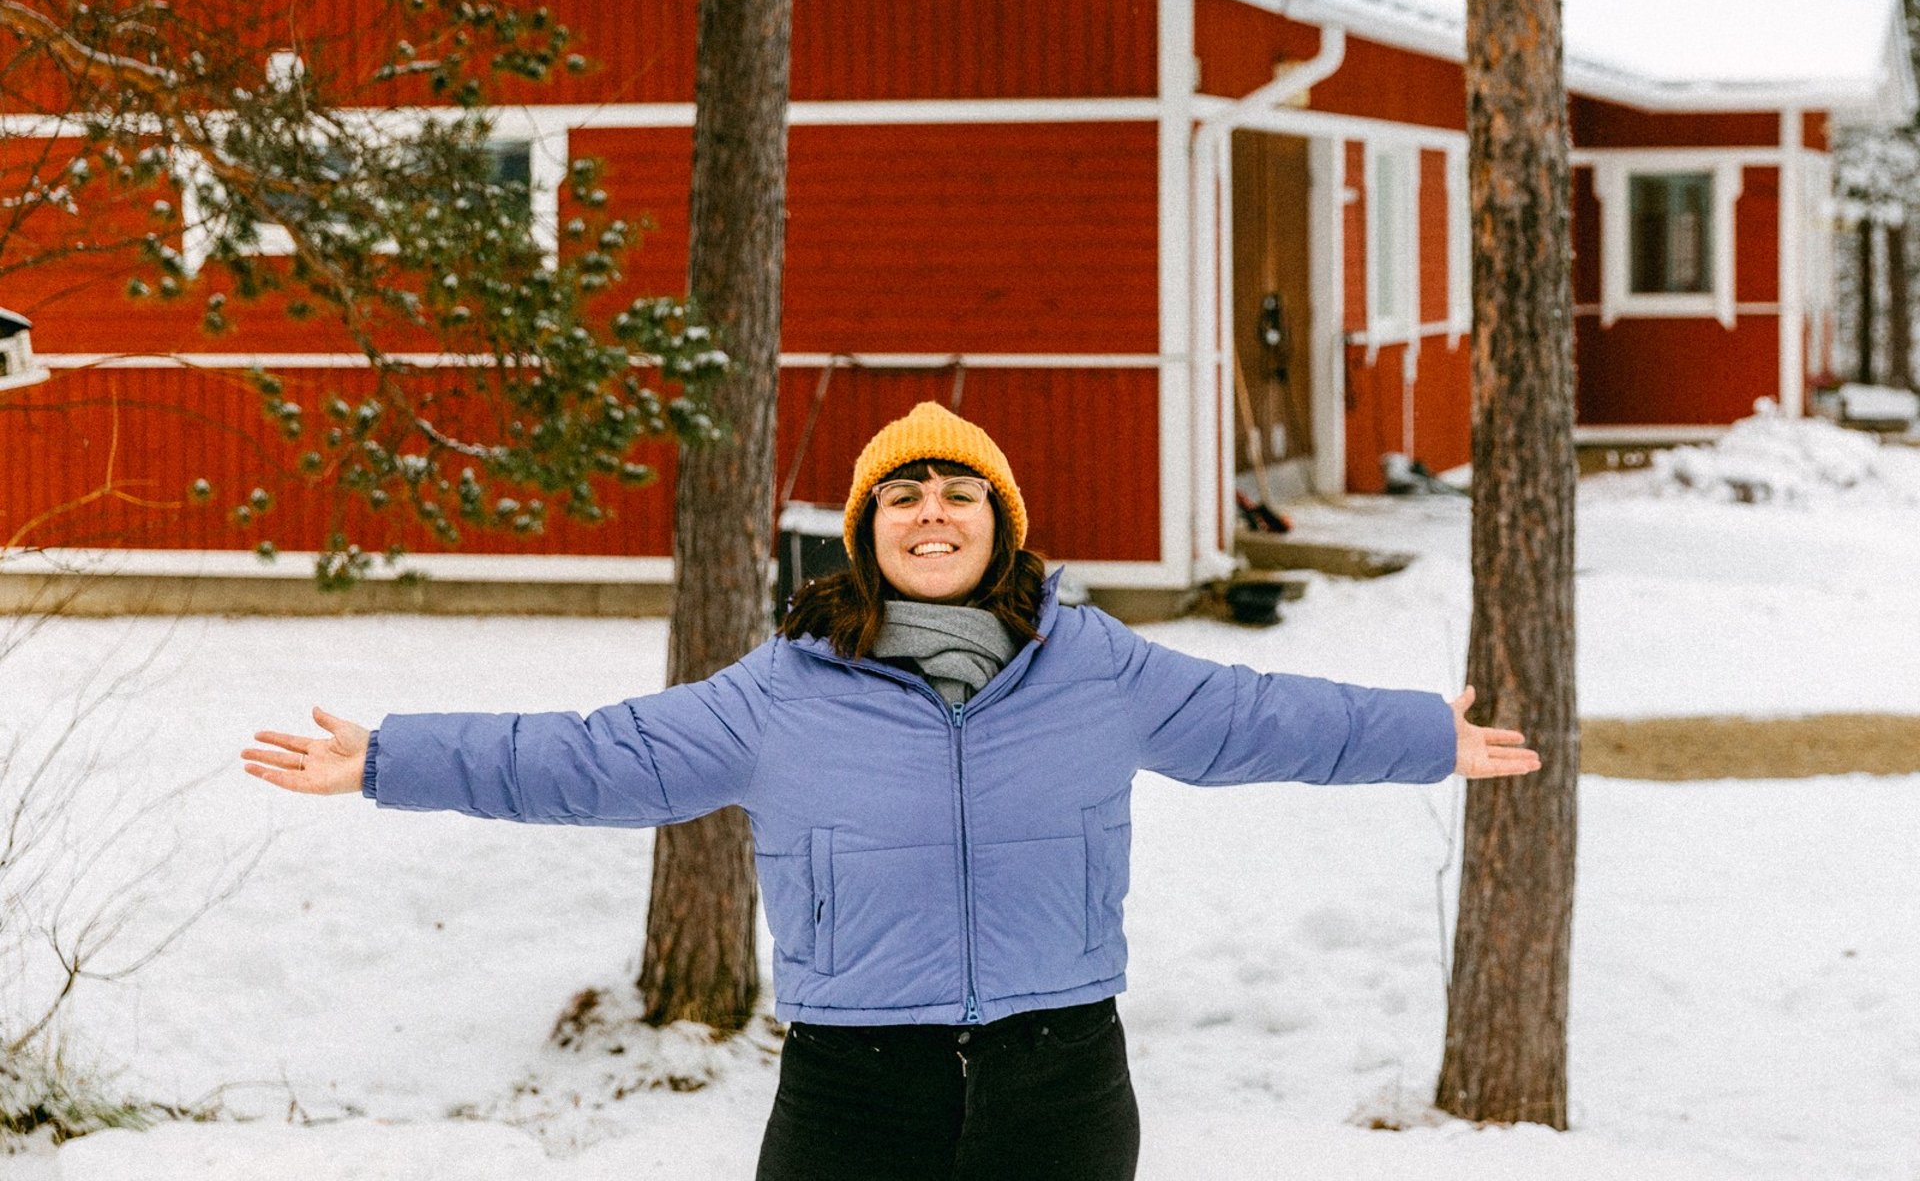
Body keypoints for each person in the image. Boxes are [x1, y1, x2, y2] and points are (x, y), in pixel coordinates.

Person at [243, 401, 1539, 1180]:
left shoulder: (1097, 666)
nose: (933, 512)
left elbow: (1262, 719)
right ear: (866, 530)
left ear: (1001, 523)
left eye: (960, 491)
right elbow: (604, 756)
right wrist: (394, 757)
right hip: (856, 1090)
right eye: (903, 493)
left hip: (1062, 1081)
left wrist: (1424, 734)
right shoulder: (786, 687)